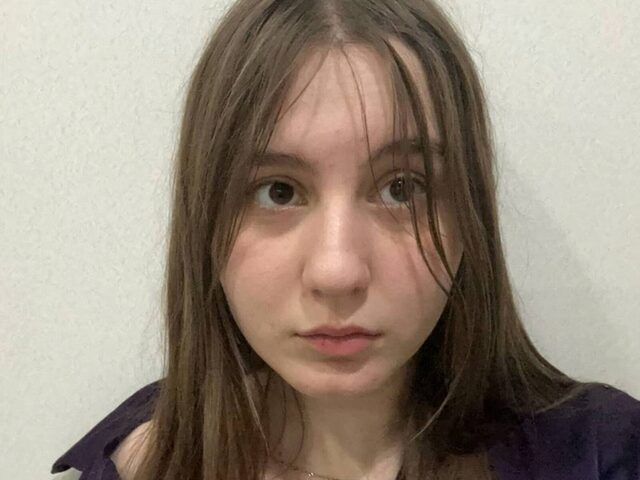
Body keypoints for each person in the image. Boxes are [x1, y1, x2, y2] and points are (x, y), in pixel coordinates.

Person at [51, 0, 640, 479]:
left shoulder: (600, 455)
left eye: (402, 189)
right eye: (278, 191)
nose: (337, 271)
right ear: (203, 221)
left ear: (469, 216)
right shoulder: (135, 463)